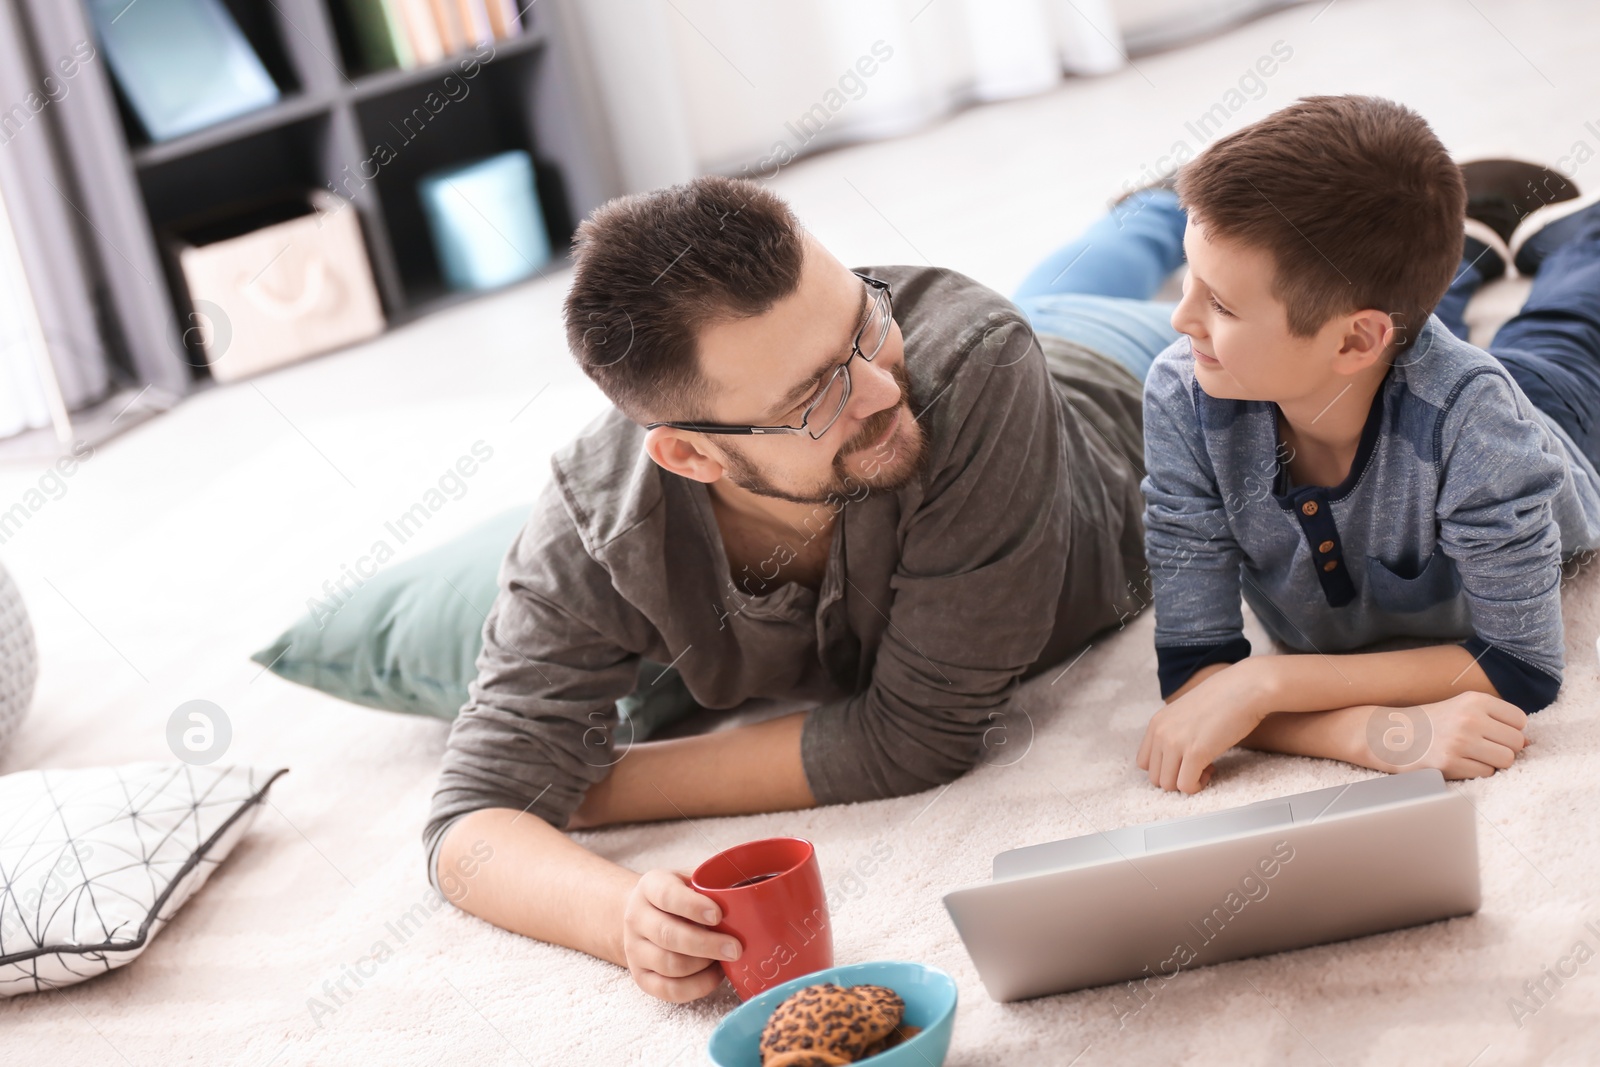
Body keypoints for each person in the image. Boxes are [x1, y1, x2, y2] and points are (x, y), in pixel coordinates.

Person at [424, 175, 1152, 1003]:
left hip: (1115, 377)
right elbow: (469, 822)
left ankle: (1150, 212)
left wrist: (598, 785)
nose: (881, 388)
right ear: (692, 457)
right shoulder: (597, 530)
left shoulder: (971, 362)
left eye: (864, 323)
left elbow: (916, 738)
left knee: (1139, 292)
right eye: (815, 396)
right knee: (1067, 285)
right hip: (1039, 343)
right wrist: (621, 915)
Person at [1119, 96, 1600, 795]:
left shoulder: (1486, 425)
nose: (1179, 315)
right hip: (1388, 356)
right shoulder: (1183, 393)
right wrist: (1366, 732)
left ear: (1354, 339)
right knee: (1407, 330)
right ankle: (1458, 243)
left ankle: (1582, 231)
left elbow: (1519, 662)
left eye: (1220, 303)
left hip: (1534, 407)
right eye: (1191, 278)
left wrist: (1268, 679)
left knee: (1563, 333)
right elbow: (1197, 677)